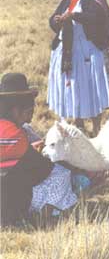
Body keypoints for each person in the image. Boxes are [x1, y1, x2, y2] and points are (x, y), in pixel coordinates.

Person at [0, 73, 89, 227]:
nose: (29, 119)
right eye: (28, 113)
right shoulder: (14, 134)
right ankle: (47, 212)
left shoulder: (9, 128)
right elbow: (42, 170)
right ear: (15, 110)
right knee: (61, 174)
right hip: (9, 204)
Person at [48, 0, 109, 136]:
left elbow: (98, 19)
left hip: (88, 50)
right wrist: (55, 20)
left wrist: (74, 16)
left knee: (92, 87)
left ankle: (96, 127)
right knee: (75, 88)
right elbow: (55, 19)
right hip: (69, 51)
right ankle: (78, 124)